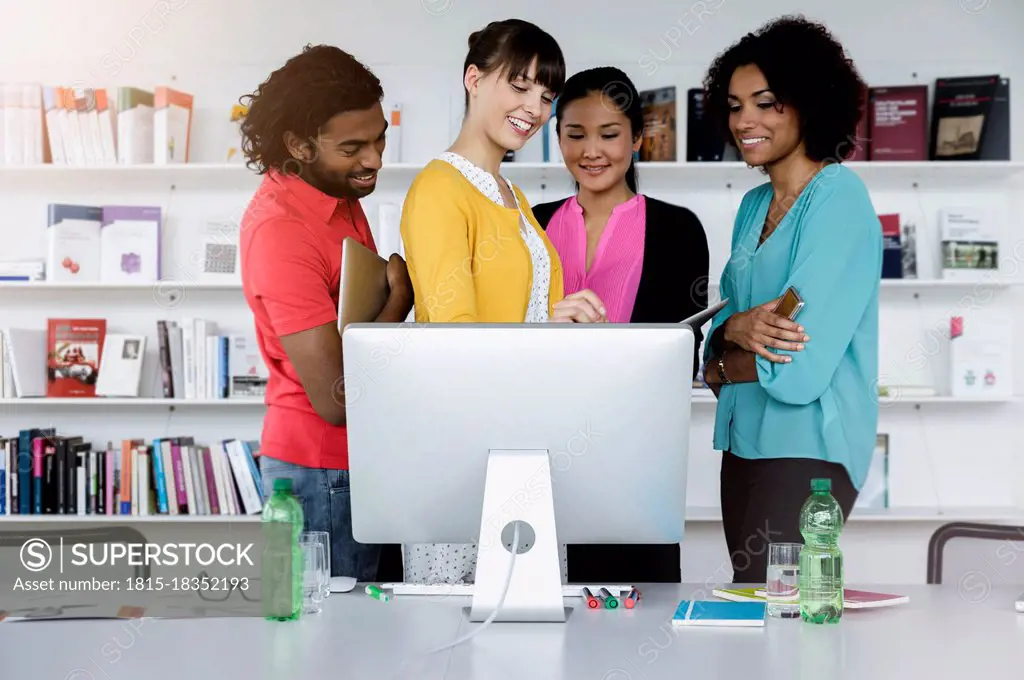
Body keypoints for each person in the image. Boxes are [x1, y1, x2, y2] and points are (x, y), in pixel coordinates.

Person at [399, 19, 607, 584]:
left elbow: (527, 318)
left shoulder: (512, 194)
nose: (534, 108)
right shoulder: (441, 188)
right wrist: (544, 324)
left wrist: (566, 322)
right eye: (519, 85)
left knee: (528, 629)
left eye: (546, 95)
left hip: (520, 441)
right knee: (456, 642)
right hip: (462, 449)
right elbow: (452, 340)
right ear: (473, 78)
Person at [699, 15, 881, 582]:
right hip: (743, 447)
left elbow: (797, 367)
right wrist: (729, 337)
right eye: (734, 105)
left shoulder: (837, 200)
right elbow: (717, 342)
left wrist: (725, 355)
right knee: (752, 607)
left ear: (807, 103)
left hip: (809, 451)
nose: (744, 120)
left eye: (766, 102)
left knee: (783, 618)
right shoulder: (753, 207)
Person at [238, 45, 414, 582]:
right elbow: (336, 399)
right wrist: (399, 303)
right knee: (326, 652)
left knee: (366, 645)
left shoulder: (336, 193)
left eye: (380, 136)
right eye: (353, 147)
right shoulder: (282, 230)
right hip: (319, 471)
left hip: (353, 462)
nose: (375, 160)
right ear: (299, 145)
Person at [530, 66, 710, 583]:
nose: (592, 151)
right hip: (543, 449)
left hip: (634, 455)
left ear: (636, 139)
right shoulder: (531, 223)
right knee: (543, 607)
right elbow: (508, 339)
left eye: (609, 135)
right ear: (556, 134)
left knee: (637, 613)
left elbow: (682, 356)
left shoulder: (678, 230)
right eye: (575, 134)